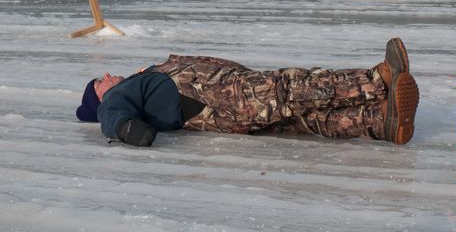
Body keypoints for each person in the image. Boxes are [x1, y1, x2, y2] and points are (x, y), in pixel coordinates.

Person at [76, 38, 419, 147]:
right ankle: (377, 79)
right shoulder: (118, 97)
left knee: (303, 118)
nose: (106, 75)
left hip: (221, 100)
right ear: (101, 96)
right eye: (99, 81)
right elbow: (111, 116)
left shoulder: (136, 82)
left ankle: (381, 121)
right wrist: (126, 129)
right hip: (215, 97)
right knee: (289, 88)